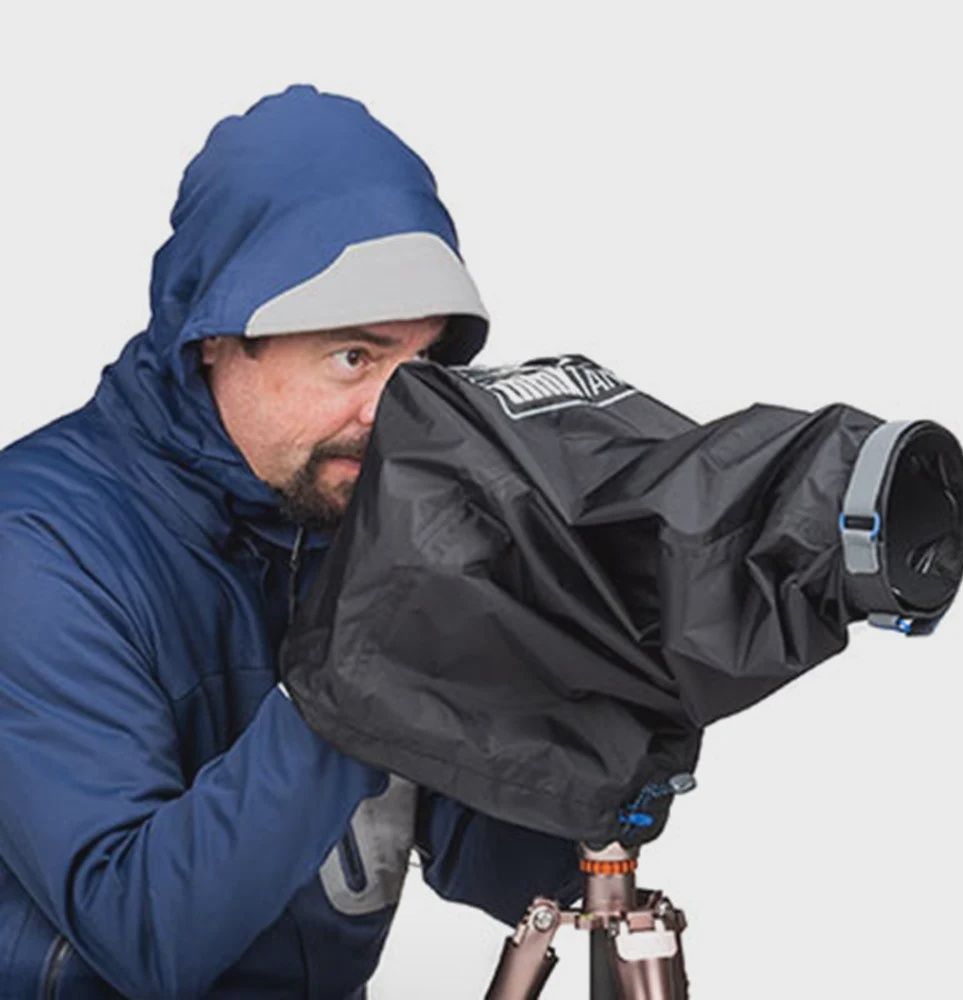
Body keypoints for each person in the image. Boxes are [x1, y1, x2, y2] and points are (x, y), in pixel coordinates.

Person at [0, 84, 582, 998]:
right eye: (354, 357)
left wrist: (596, 693)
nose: (395, 416)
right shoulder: (38, 547)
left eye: (422, 367)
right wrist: (362, 667)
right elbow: (144, 934)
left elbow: (502, 869)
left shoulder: (354, 514)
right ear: (213, 338)